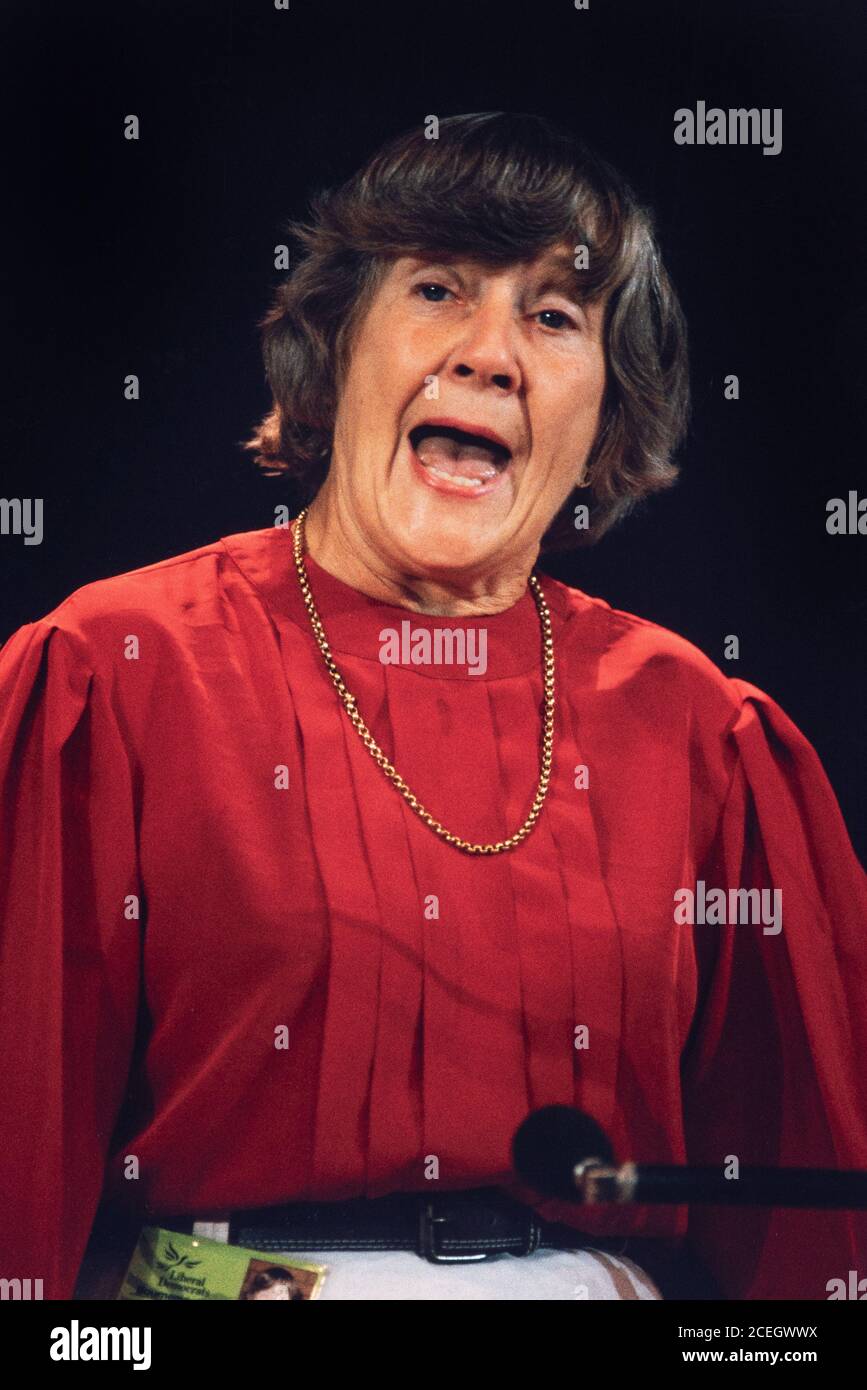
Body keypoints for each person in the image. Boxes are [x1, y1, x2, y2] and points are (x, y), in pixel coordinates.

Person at [1, 112, 864, 1302]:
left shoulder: (703, 730)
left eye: (554, 316)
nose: (489, 353)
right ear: (335, 349)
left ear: (605, 415)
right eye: (439, 289)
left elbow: (808, 1239)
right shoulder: (113, 670)